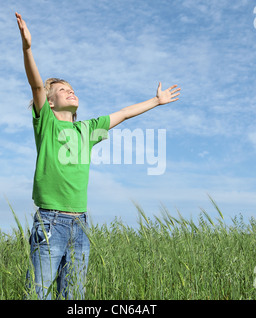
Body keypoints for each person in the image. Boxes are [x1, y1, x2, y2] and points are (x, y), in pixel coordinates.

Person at [16, 12, 180, 300]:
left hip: (80, 225)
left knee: (75, 297)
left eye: (72, 89)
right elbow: (36, 84)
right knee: (37, 295)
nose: (71, 92)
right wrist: (28, 48)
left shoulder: (88, 130)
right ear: (50, 102)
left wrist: (156, 100)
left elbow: (125, 113)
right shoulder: (47, 123)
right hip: (51, 222)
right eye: (62, 90)